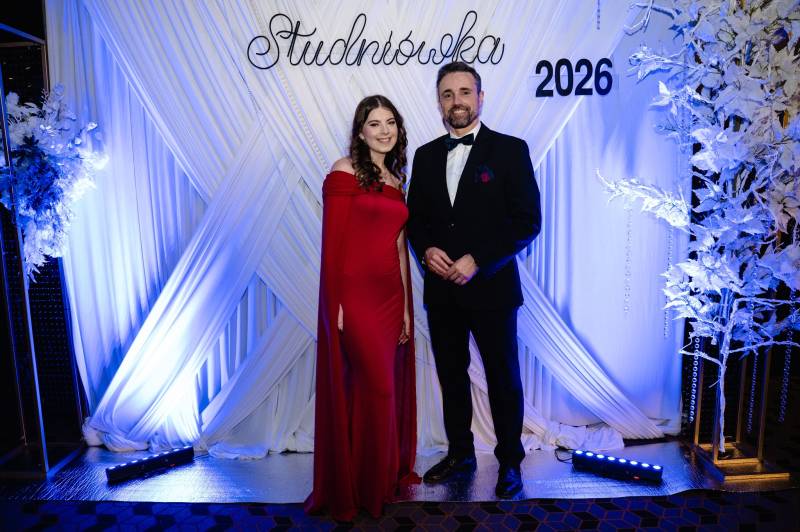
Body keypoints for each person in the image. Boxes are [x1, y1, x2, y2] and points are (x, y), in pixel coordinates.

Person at [406, 62, 541, 499]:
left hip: (493, 289)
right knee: (451, 375)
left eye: (465, 92)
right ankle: (460, 454)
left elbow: (527, 221)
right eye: (448, 94)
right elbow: (415, 220)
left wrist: (478, 259)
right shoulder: (425, 155)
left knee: (503, 378)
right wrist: (426, 250)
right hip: (441, 291)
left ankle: (510, 463)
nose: (457, 101)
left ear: (480, 98)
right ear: (439, 102)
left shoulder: (510, 150)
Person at [305, 95, 419, 521]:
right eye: (375, 123)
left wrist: (405, 308)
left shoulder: (396, 180)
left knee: (377, 392)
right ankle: (360, 488)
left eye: (390, 122)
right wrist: (334, 302)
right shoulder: (344, 170)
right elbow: (332, 242)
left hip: (390, 298)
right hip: (354, 296)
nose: (384, 131)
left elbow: (399, 246)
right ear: (360, 131)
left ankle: (375, 481)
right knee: (377, 388)